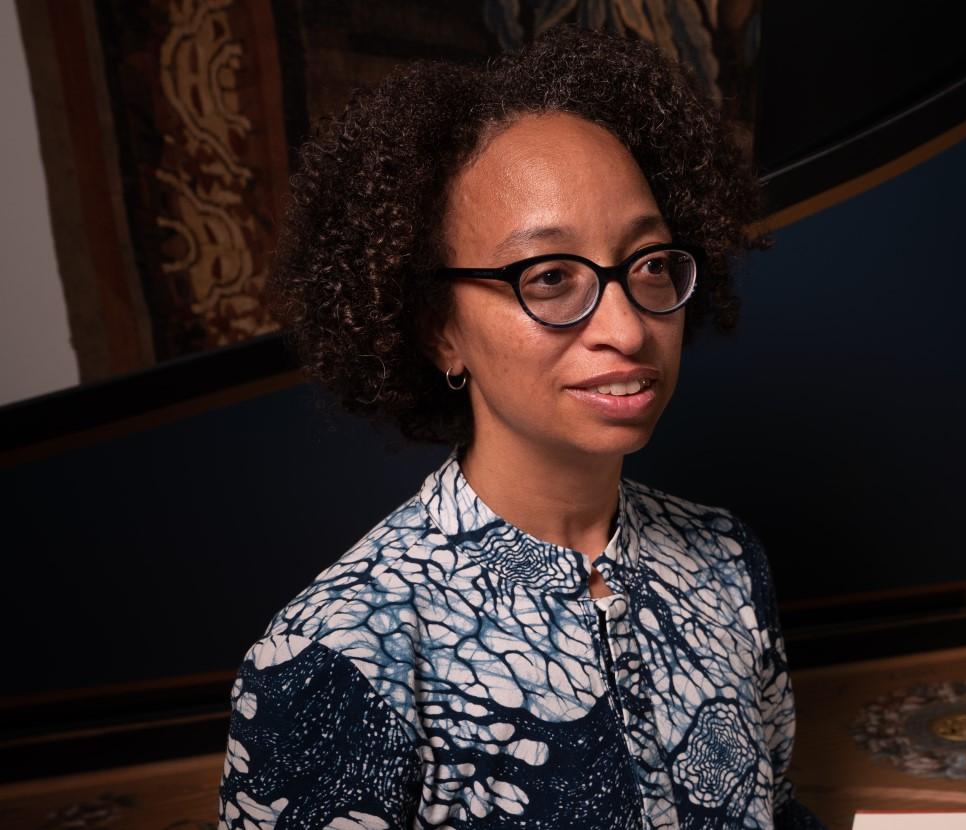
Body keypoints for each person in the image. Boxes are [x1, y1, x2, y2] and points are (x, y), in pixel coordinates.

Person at [216, 26, 821, 829]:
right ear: (439, 330)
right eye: (550, 277)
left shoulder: (728, 562)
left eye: (647, 263)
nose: (629, 329)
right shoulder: (336, 656)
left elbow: (775, 812)